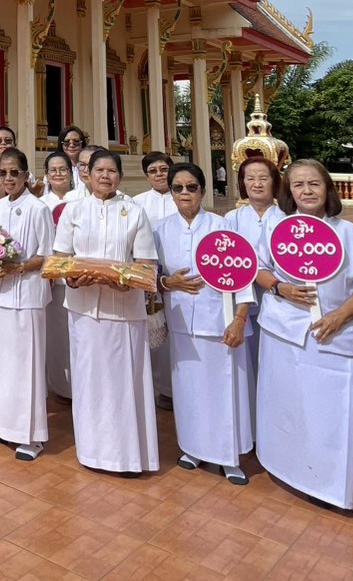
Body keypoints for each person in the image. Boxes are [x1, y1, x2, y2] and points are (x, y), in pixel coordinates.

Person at [254, 160, 353, 520]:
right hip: (283, 333)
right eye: (298, 185)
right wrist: (280, 288)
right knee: (290, 406)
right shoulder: (276, 227)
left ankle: (343, 488)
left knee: (336, 414)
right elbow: (259, 268)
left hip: (334, 336)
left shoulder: (348, 232)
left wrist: (339, 316)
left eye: (314, 183)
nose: (306, 191)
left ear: (328, 188)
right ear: (288, 192)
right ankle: (291, 469)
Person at [53, 148, 158, 475]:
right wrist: (71, 280)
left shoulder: (135, 212)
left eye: (112, 171)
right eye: (99, 170)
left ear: (120, 177)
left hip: (125, 311)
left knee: (124, 382)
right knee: (89, 381)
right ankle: (91, 450)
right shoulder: (74, 211)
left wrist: (126, 284)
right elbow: (60, 258)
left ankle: (127, 456)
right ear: (87, 174)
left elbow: (147, 264)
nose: (105, 176)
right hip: (84, 311)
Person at [155, 163, 253, 484]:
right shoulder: (159, 230)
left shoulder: (222, 227)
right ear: (171, 193)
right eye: (178, 188)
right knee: (188, 389)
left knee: (224, 389)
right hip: (182, 324)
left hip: (219, 323)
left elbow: (243, 276)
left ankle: (228, 455)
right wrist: (168, 283)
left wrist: (239, 319)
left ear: (203, 190)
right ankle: (193, 447)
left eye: (191, 187)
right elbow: (152, 276)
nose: (185, 193)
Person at [0, 148, 54, 460]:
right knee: (3, 363)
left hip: (27, 294)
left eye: (15, 172)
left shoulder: (38, 208)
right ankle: (6, 425)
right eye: (3, 172)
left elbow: (47, 254)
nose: (8, 178)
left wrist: (20, 267)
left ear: (26, 175)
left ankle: (31, 435)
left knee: (27, 365)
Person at [224, 156, 286, 378]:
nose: (257, 184)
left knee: (277, 362)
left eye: (263, 178)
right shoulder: (232, 219)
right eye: (250, 178)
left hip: (281, 297)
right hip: (244, 301)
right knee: (248, 361)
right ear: (243, 183)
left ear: (274, 182)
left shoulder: (287, 218)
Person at [133, 150, 177, 403]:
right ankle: (163, 388)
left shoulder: (182, 196)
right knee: (156, 331)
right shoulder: (137, 203)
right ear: (146, 176)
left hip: (179, 275)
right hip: (151, 276)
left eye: (163, 169)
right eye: (153, 171)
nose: (159, 175)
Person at [40, 150, 76, 401]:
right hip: (52, 278)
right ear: (46, 175)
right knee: (56, 333)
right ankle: (60, 386)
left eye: (63, 169)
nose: (58, 174)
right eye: (53, 170)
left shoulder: (82, 199)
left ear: (71, 173)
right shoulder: (41, 204)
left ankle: (80, 385)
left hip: (79, 276)